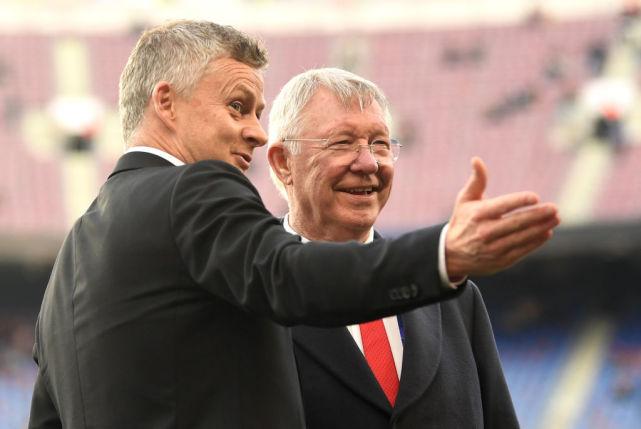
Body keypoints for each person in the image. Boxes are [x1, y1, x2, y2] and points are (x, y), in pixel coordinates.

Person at [28, 21, 558, 429]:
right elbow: (286, 273)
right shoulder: (192, 191)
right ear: (166, 102)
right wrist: (443, 253)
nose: (255, 133)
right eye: (238, 107)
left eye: (380, 143)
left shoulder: (66, 275)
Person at [267, 68, 541, 428]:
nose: (369, 163)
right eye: (342, 143)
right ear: (284, 162)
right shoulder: (249, 301)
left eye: (380, 143)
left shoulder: (456, 301)